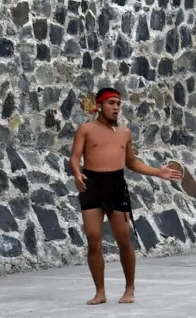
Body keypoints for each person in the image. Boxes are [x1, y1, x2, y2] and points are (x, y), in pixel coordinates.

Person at [69, 87, 183, 305]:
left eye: (118, 103)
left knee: (123, 240)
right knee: (93, 240)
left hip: (116, 186)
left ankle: (129, 288)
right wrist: (76, 174)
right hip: (91, 186)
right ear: (99, 106)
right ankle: (100, 292)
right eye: (111, 103)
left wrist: (158, 172)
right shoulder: (85, 129)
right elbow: (74, 157)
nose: (116, 107)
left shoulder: (125, 133)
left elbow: (131, 163)